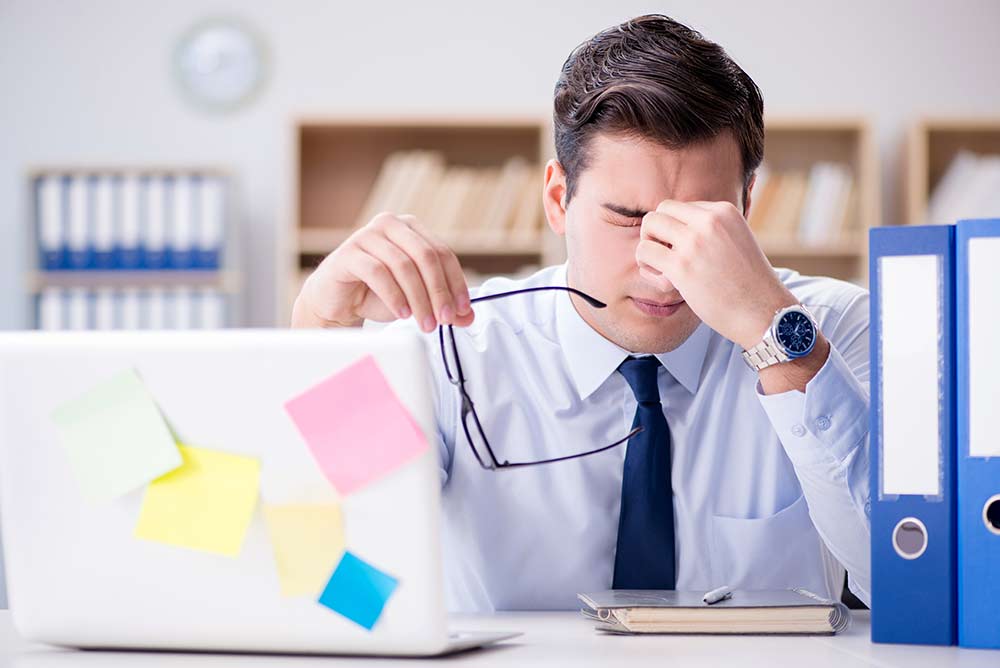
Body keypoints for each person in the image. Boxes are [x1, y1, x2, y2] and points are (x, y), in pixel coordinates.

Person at [292, 14, 870, 612]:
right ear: (557, 201)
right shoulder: (451, 348)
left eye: (702, 226)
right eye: (627, 218)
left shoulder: (836, 330)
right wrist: (321, 333)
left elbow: (903, 583)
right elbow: (334, 570)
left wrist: (779, 340)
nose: (662, 268)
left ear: (747, 206)